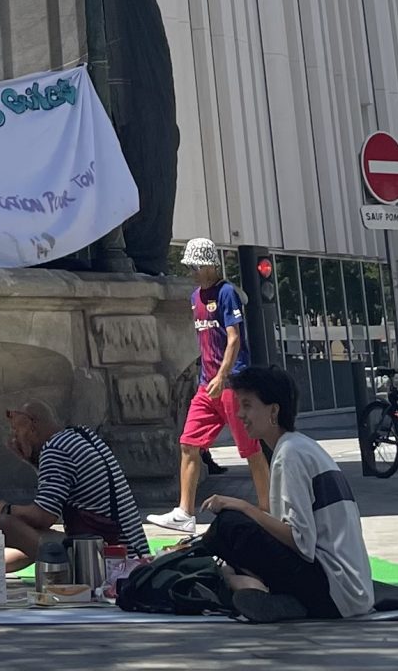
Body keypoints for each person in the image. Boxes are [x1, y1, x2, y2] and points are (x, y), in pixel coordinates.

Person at [197, 364, 374, 623]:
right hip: (348, 591)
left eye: (247, 405)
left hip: (334, 592)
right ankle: (243, 583)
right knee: (237, 532)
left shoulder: (290, 454)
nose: (240, 414)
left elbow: (300, 541)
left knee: (231, 524)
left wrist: (244, 508)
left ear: (273, 410)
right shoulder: (300, 447)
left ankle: (242, 583)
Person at [0, 399, 149, 577]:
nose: (14, 437)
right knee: (27, 543)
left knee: (5, 526)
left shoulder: (56, 450)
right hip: (127, 554)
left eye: (17, 430)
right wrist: (31, 461)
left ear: (31, 427)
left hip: (112, 564)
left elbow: (44, 516)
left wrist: (5, 509)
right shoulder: (77, 436)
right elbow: (61, 491)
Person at [149, 238, 268, 534]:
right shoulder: (195, 298)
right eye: (190, 265)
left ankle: (268, 509)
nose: (193, 271)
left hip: (231, 384)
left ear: (211, 264)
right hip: (207, 385)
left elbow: (234, 338)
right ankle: (184, 512)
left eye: (197, 266)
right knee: (189, 443)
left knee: (250, 448)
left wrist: (223, 375)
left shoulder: (227, 294)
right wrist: (209, 376)